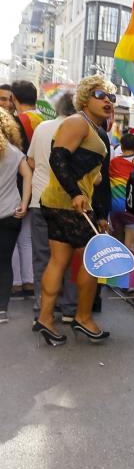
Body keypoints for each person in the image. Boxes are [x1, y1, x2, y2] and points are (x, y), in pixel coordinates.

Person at [35, 75, 115, 345]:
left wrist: (91, 178)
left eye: (111, 97)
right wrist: (77, 192)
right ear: (84, 98)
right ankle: (82, 317)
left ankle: (45, 319)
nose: (107, 100)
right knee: (93, 262)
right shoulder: (78, 122)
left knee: (59, 261)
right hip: (69, 204)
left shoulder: (89, 126)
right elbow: (57, 158)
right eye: (100, 95)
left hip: (61, 203)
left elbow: (74, 163)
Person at [27, 92, 78, 323]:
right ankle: (68, 307)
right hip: (67, 203)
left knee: (42, 257)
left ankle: (42, 308)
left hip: (39, 201)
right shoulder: (80, 131)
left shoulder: (42, 128)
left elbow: (31, 161)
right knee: (66, 258)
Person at [9, 80, 43, 300]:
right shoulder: (43, 120)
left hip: (19, 183)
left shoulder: (15, 122)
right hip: (40, 184)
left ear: (14, 98)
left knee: (13, 234)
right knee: (28, 236)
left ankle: (16, 282)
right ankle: (29, 280)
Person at [0, 108, 32, 324]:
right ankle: (2, 310)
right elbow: (28, 176)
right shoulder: (15, 152)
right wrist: (24, 203)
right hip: (11, 213)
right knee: (4, 263)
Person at [108, 133, 134, 255]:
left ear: (121, 147)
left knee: (117, 247)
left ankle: (117, 273)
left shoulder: (113, 163)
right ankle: (130, 274)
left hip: (115, 209)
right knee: (130, 248)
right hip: (133, 210)